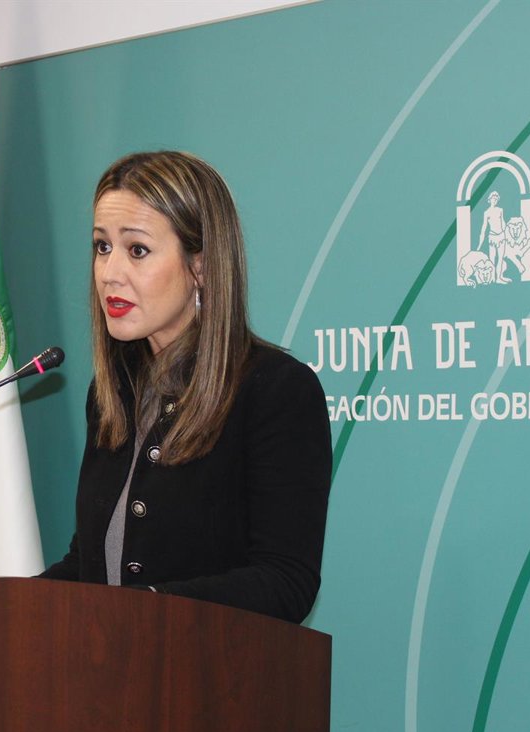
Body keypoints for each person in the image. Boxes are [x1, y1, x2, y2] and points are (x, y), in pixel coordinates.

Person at [38, 151, 332, 624]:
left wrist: (150, 606)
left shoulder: (275, 391)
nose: (109, 272)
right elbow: (90, 563)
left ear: (202, 266)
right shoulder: (113, 393)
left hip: (207, 669)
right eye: (101, 246)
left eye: (137, 250)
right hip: (107, 668)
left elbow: (285, 581)